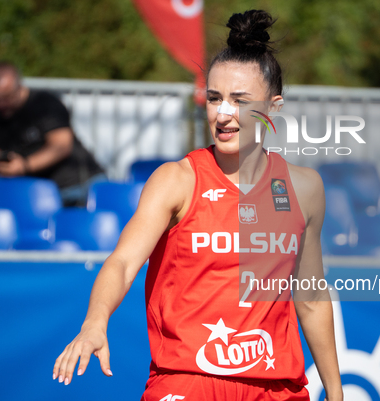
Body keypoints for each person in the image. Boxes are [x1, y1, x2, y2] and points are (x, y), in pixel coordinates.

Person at [53, 10, 343, 401]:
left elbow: (310, 296)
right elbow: (122, 263)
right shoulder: (177, 180)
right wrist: (95, 322)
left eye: (240, 101)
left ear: (274, 107)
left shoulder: (304, 188)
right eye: (215, 98)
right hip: (187, 379)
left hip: (277, 388)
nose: (223, 114)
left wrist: (336, 392)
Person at [0, 61, 105, 206]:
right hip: (33, 196)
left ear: (19, 87)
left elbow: (61, 145)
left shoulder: (45, 104)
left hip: (75, 188)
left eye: (6, 97)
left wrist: (24, 166)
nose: (0, 105)